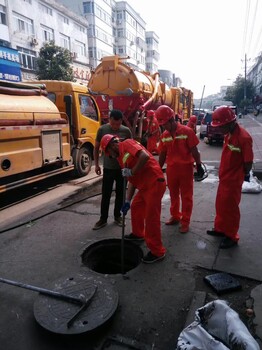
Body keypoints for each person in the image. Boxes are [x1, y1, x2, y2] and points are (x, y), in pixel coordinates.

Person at [100, 134, 166, 264]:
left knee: (151, 218)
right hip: (144, 186)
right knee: (136, 207)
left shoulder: (127, 143)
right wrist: (127, 201)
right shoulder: (120, 158)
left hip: (154, 182)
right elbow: (132, 180)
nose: (109, 156)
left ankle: (157, 251)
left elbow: (144, 156)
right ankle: (138, 234)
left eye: (108, 152)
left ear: (112, 145)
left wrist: (132, 171)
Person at [206, 106, 253, 249]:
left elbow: (248, 163)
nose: (219, 129)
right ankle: (221, 229)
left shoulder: (244, 138)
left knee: (231, 208)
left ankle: (231, 236)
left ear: (231, 122)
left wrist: (239, 174)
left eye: (221, 126)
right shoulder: (228, 134)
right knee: (221, 205)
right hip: (224, 178)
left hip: (233, 180)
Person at [155, 105, 205, 234]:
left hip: (186, 169)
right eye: (162, 124)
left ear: (172, 119)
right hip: (172, 169)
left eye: (165, 123)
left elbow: (195, 151)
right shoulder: (165, 135)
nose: (164, 127)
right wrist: (158, 170)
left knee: (186, 196)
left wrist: (198, 165)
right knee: (173, 194)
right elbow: (162, 154)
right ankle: (175, 216)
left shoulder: (187, 131)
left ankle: (185, 221)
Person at [93, 109, 132, 230]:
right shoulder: (102, 130)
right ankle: (103, 219)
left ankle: (117, 216)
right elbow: (96, 147)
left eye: (118, 124)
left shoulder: (126, 131)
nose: (116, 127)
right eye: (113, 124)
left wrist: (125, 162)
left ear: (121, 121)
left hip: (122, 168)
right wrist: (96, 165)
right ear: (109, 120)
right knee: (106, 194)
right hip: (108, 168)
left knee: (121, 193)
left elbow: (130, 149)